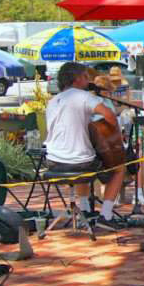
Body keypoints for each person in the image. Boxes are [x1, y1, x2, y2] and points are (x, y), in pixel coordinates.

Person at [44, 62, 126, 230]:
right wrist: (112, 137)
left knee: (83, 156)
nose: (89, 80)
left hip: (52, 161)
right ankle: (106, 214)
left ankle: (85, 212)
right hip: (79, 161)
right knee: (119, 168)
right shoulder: (84, 97)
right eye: (86, 77)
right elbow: (109, 115)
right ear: (77, 79)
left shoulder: (52, 101)